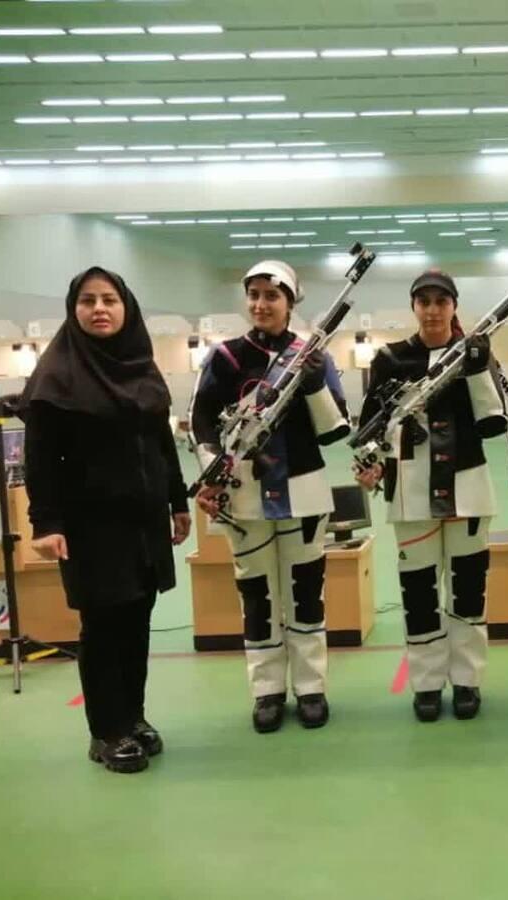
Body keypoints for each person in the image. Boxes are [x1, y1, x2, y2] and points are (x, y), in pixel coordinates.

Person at [21, 266, 190, 774]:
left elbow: (162, 443)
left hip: (142, 521)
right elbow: (41, 459)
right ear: (73, 310)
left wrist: (177, 502)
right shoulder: (56, 376)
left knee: (137, 619)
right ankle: (106, 730)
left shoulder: (141, 366)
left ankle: (132, 717)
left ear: (126, 308)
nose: (100, 309)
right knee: (102, 624)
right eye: (89, 300)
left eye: (110, 299)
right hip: (90, 526)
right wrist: (45, 522)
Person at [191, 260, 351, 734]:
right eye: (254, 295)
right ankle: (266, 690)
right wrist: (213, 471)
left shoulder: (313, 355)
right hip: (244, 496)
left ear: (290, 302)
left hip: (305, 495)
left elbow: (334, 430)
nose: (261, 304)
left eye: (272, 296)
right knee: (258, 598)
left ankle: (311, 687)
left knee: (305, 596)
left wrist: (317, 380)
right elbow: (200, 422)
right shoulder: (226, 357)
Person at [354, 270, 506, 722]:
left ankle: (467, 681)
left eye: (442, 301)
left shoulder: (475, 355)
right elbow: (370, 426)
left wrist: (479, 366)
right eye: (425, 301)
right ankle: (425, 683)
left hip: (469, 489)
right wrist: (370, 465)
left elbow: (493, 422)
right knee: (419, 594)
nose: (434, 310)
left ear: (454, 306)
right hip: (411, 494)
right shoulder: (389, 358)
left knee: (467, 593)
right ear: (414, 307)